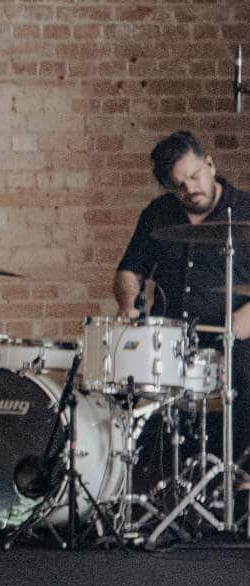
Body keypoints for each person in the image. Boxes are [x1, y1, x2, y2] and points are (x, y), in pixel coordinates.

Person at [113, 131, 250, 465]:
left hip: (234, 340)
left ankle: (241, 478)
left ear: (210, 164)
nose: (190, 189)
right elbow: (129, 271)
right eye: (179, 185)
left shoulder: (247, 210)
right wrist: (128, 305)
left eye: (194, 176)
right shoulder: (158, 213)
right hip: (170, 342)